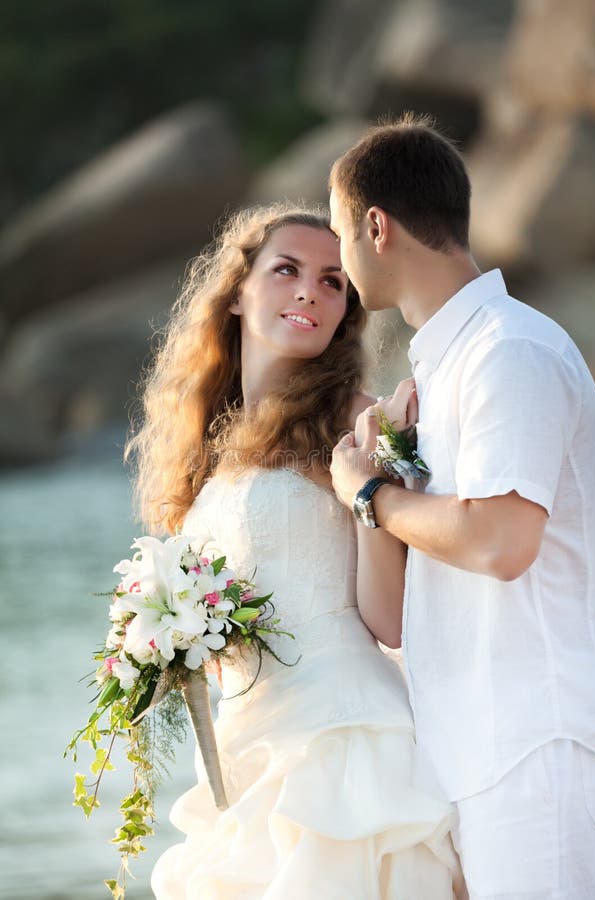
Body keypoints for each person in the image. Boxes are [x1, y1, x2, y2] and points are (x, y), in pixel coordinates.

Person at [127, 203, 464, 899]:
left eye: (334, 281)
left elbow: (390, 621)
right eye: (286, 270)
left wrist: (370, 488)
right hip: (244, 750)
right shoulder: (206, 450)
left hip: (341, 742)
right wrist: (168, 645)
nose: (311, 290)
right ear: (238, 292)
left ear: (346, 311)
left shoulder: (357, 419)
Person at [328, 113, 595, 900]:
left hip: (535, 750)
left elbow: (501, 540)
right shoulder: (445, 373)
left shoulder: (508, 352)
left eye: (342, 234)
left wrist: (371, 497)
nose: (342, 262)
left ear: (376, 227)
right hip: (477, 754)